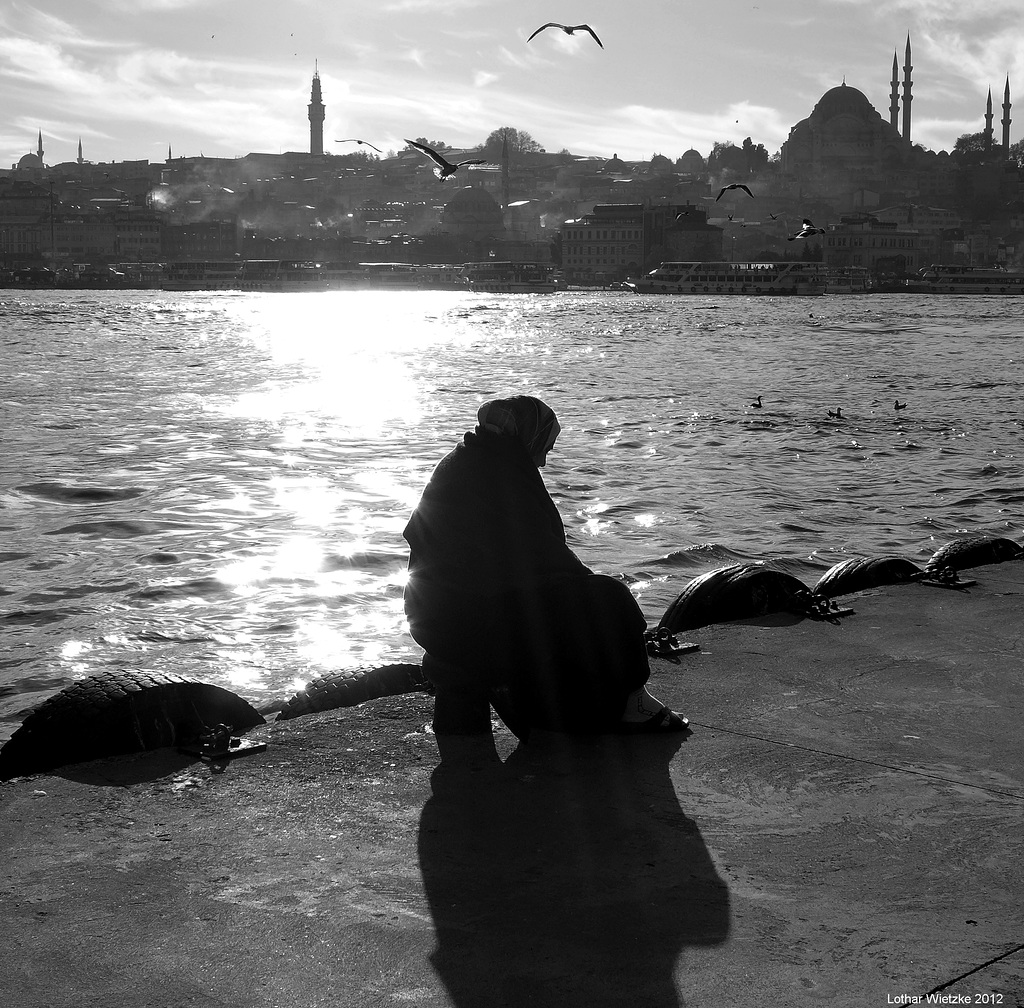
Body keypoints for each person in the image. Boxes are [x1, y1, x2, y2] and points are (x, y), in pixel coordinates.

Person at [403, 395, 688, 738]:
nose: (544, 459)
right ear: (528, 438)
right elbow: (542, 556)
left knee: (574, 598)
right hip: (471, 624)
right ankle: (634, 705)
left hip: (433, 616)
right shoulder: (505, 473)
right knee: (611, 599)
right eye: (545, 446)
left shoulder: (465, 460)